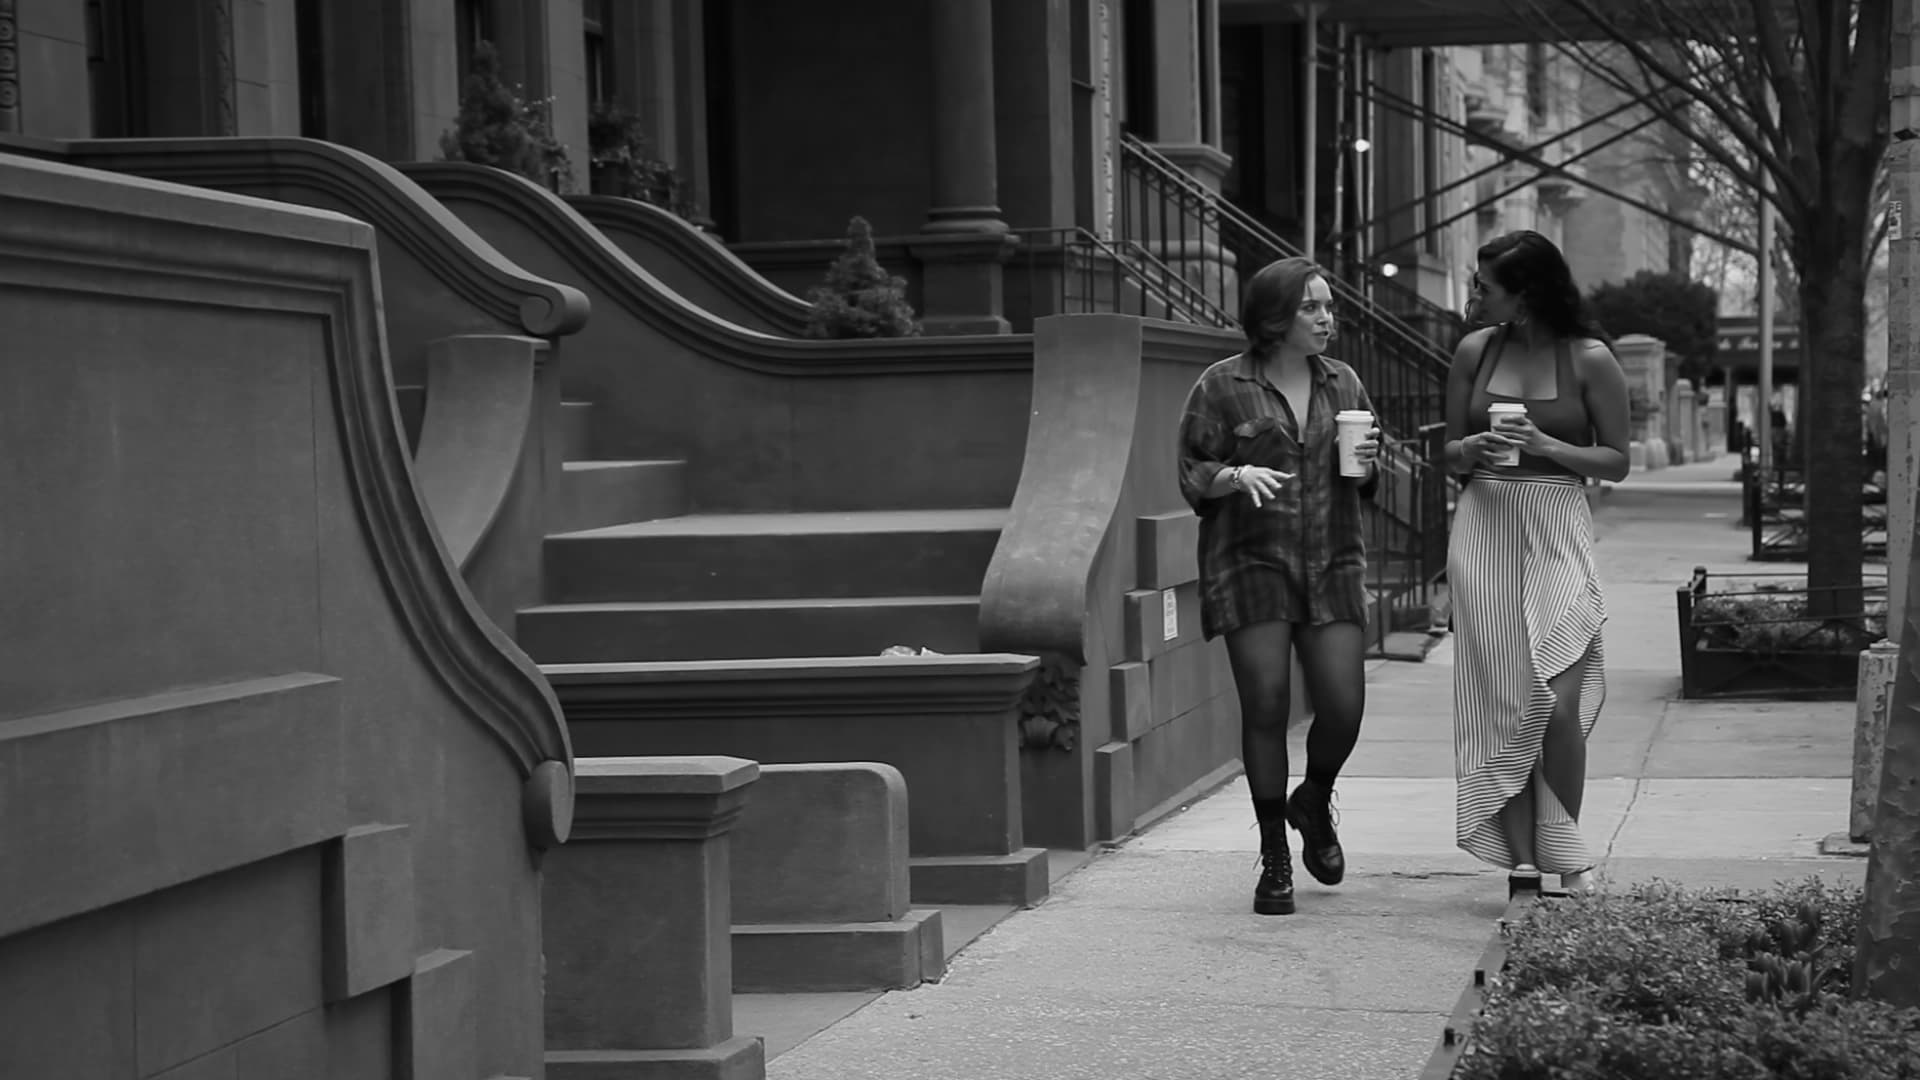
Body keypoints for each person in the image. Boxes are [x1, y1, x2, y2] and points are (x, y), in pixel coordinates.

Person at [1177, 257, 1383, 916]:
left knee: (1343, 708)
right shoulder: (1222, 385)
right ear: (1275, 318)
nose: (1327, 318)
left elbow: (1366, 475)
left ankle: (1313, 799)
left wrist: (1368, 465)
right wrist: (1234, 476)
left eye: (1328, 306)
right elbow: (1192, 469)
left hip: (1333, 558)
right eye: (1311, 307)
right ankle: (1274, 855)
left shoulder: (1343, 383)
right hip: (1251, 562)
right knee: (1266, 706)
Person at [1444, 230, 1630, 895]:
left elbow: (1617, 461)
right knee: (1506, 702)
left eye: (1485, 286)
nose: (1474, 295)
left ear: (1525, 294)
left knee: (1556, 704)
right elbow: (1447, 453)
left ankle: (1565, 850)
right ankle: (1524, 860)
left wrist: (1547, 444)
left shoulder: (1591, 359)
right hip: (1485, 527)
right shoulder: (1475, 350)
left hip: (1556, 523)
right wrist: (1473, 449)